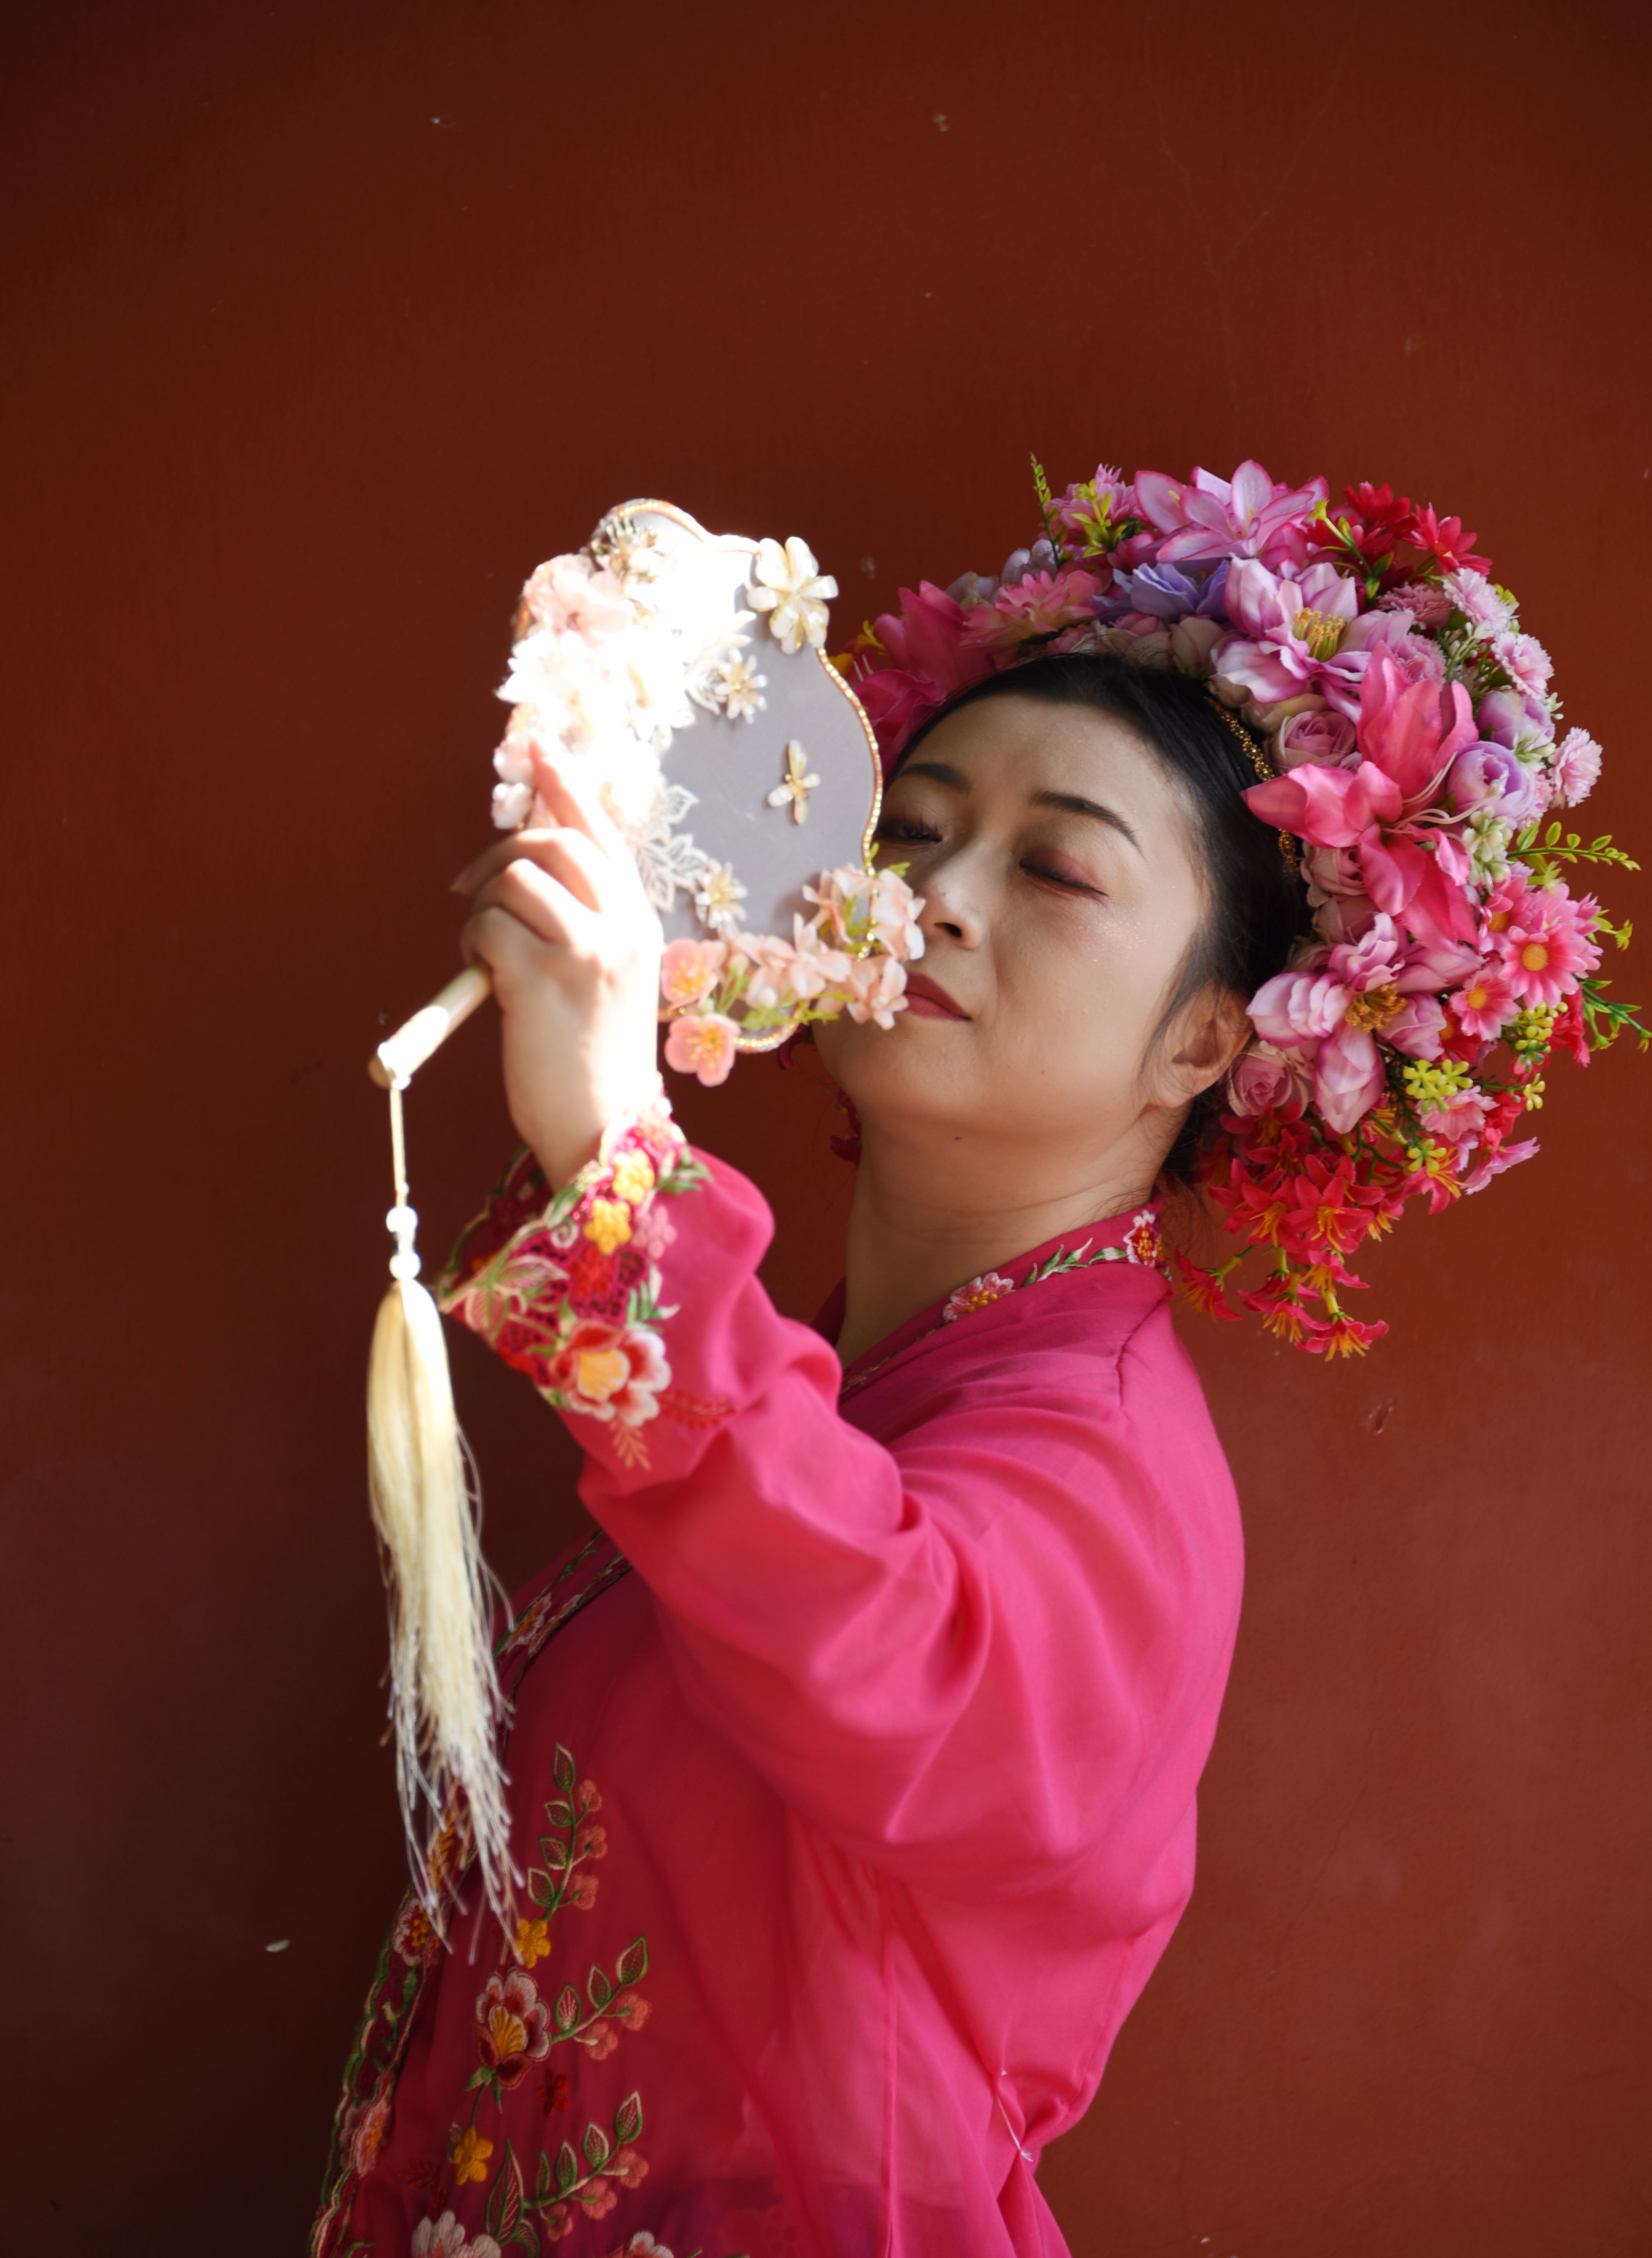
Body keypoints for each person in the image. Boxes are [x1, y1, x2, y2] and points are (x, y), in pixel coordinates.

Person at [310, 653, 1306, 2258]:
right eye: (907, 833)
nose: (934, 900)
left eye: (1055, 868)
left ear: (1199, 1038)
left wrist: (616, 1151)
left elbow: (883, 1647)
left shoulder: (1108, 1449)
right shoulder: (856, 1385)